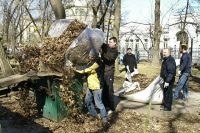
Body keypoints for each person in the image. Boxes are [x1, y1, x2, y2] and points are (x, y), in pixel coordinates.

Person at [73, 49, 109, 126]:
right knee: (87, 101)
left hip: (97, 87)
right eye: (89, 56)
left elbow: (84, 70)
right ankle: (93, 115)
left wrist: (74, 69)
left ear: (95, 57)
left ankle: (105, 119)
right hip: (90, 86)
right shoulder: (92, 62)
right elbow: (84, 66)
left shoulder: (97, 64)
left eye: (91, 57)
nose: (89, 58)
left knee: (98, 103)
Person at [101, 37, 118, 114]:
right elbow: (100, 44)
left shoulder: (115, 51)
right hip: (103, 72)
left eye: (111, 42)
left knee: (109, 90)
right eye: (109, 41)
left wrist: (101, 54)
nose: (109, 43)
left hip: (109, 73)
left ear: (115, 43)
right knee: (104, 89)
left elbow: (109, 59)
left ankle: (112, 107)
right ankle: (105, 105)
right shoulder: (107, 46)